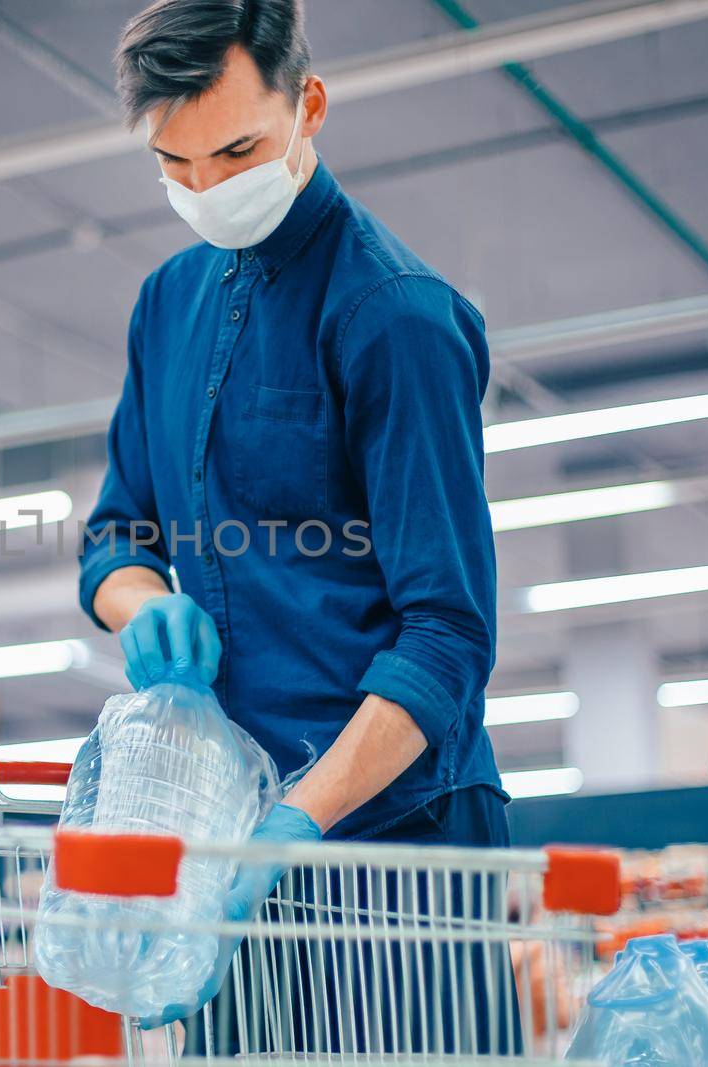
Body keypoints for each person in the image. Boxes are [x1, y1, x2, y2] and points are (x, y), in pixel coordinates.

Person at [80, 0, 509, 1048]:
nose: (207, 188)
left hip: (397, 848)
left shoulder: (395, 316)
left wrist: (295, 820)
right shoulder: (165, 304)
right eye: (173, 163)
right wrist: (139, 605)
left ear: (307, 105)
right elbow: (115, 533)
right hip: (229, 841)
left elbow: (447, 636)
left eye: (237, 149)